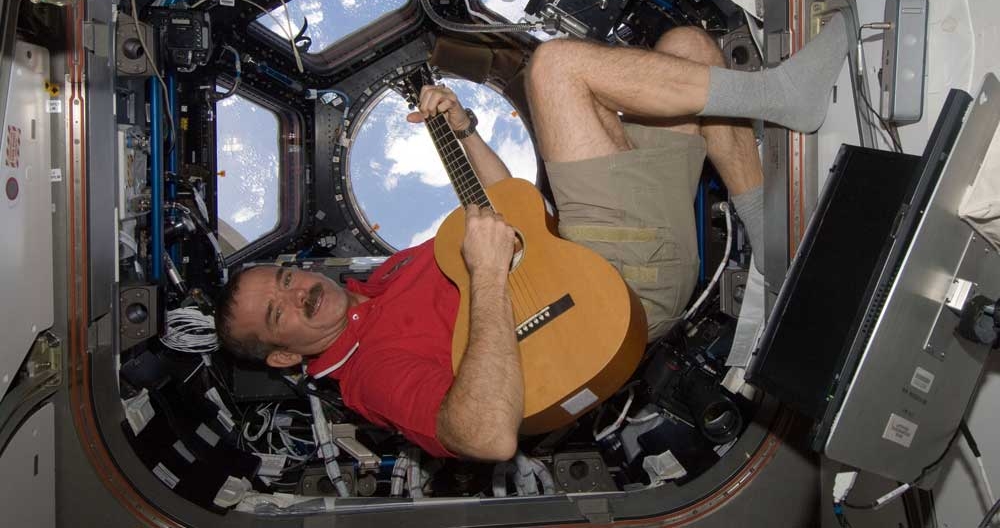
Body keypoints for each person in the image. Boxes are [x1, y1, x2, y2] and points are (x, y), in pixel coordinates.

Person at [216, 22, 848, 461]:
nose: (296, 293)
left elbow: (515, 213)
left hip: (602, 258)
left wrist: (463, 132)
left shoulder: (385, 278)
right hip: (605, 298)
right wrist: (489, 276)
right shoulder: (370, 378)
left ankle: (770, 248)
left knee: (688, 48)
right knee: (554, 67)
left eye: (284, 278)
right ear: (283, 357)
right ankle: (785, 97)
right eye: (277, 311)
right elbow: (485, 437)